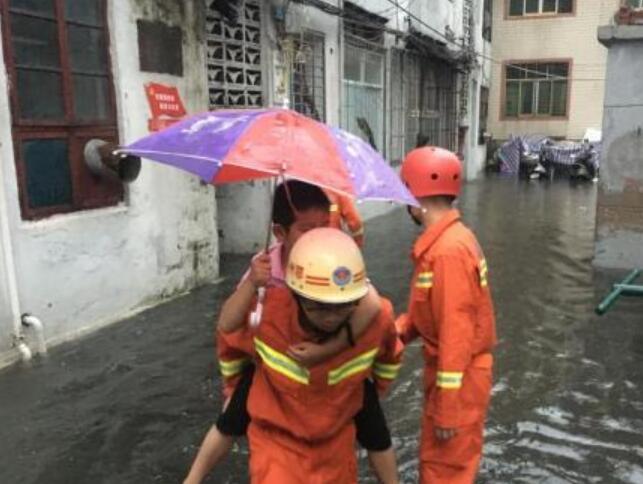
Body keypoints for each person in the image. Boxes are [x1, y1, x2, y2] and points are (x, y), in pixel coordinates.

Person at [184, 181, 398, 484]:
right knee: (233, 415)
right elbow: (228, 324)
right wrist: (251, 284)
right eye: (307, 230)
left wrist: (328, 350)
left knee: (373, 424)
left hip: (331, 371)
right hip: (274, 365)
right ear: (281, 233)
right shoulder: (265, 271)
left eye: (325, 226)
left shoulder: (332, 261)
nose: (319, 237)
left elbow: (374, 306)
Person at [396, 147, 497, 483]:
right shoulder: (447, 243)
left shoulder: (448, 253)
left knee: (445, 469)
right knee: (441, 464)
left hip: (458, 379)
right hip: (454, 375)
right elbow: (428, 312)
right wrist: (391, 332)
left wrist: (448, 408)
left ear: (414, 196)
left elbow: (456, 333)